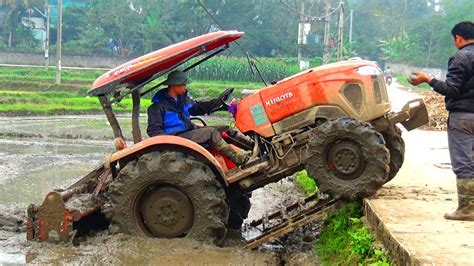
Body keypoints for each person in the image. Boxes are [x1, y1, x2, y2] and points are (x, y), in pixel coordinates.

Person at [409, 21, 474, 221]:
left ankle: (467, 209)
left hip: (462, 117)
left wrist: (428, 80)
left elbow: (452, 89)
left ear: (458, 38)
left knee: (463, 163)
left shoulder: (460, 58)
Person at [147, 70, 252, 166]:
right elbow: (154, 131)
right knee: (210, 132)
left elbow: (197, 108)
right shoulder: (157, 107)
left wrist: (215, 103)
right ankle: (237, 159)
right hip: (177, 138)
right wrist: (171, 140)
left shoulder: (183, 100)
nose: (185, 87)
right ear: (175, 85)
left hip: (189, 131)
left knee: (225, 129)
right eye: (184, 84)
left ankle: (255, 148)